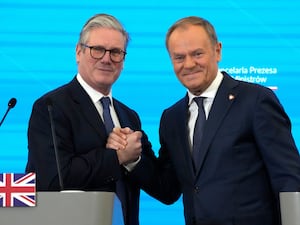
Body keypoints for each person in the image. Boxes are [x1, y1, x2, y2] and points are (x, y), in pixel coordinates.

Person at [107, 16, 300, 225]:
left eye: (197, 54)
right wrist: (132, 159)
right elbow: (167, 189)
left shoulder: (256, 100)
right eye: (179, 57)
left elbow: (289, 178)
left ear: (217, 51)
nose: (189, 64)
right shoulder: (172, 118)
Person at [25, 13, 156, 225]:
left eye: (115, 52)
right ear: (78, 52)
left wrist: (134, 160)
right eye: (97, 50)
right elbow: (52, 179)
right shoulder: (50, 107)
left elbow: (163, 189)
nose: (106, 58)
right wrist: (117, 157)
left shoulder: (129, 116)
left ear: (123, 60)